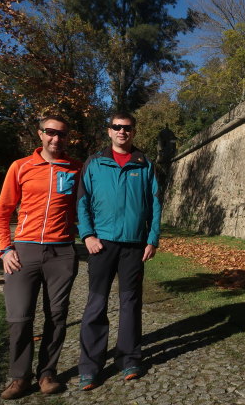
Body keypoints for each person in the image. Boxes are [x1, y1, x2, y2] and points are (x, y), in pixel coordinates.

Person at [0, 115, 82, 399]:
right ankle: (20, 377)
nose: (56, 139)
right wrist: (5, 249)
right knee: (20, 318)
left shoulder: (77, 168)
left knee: (56, 316)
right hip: (24, 251)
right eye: (51, 133)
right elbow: (2, 213)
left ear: (68, 138)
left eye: (62, 134)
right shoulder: (21, 167)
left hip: (62, 252)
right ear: (40, 134)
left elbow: (91, 206)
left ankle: (47, 373)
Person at [77, 111, 161, 390]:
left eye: (127, 128)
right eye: (117, 127)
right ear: (109, 131)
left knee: (131, 303)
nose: (122, 132)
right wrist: (87, 235)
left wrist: (152, 238)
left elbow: (156, 203)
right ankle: (90, 367)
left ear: (133, 132)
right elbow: (82, 202)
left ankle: (129, 358)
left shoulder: (144, 164)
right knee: (96, 305)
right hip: (101, 244)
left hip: (134, 245)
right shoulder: (94, 163)